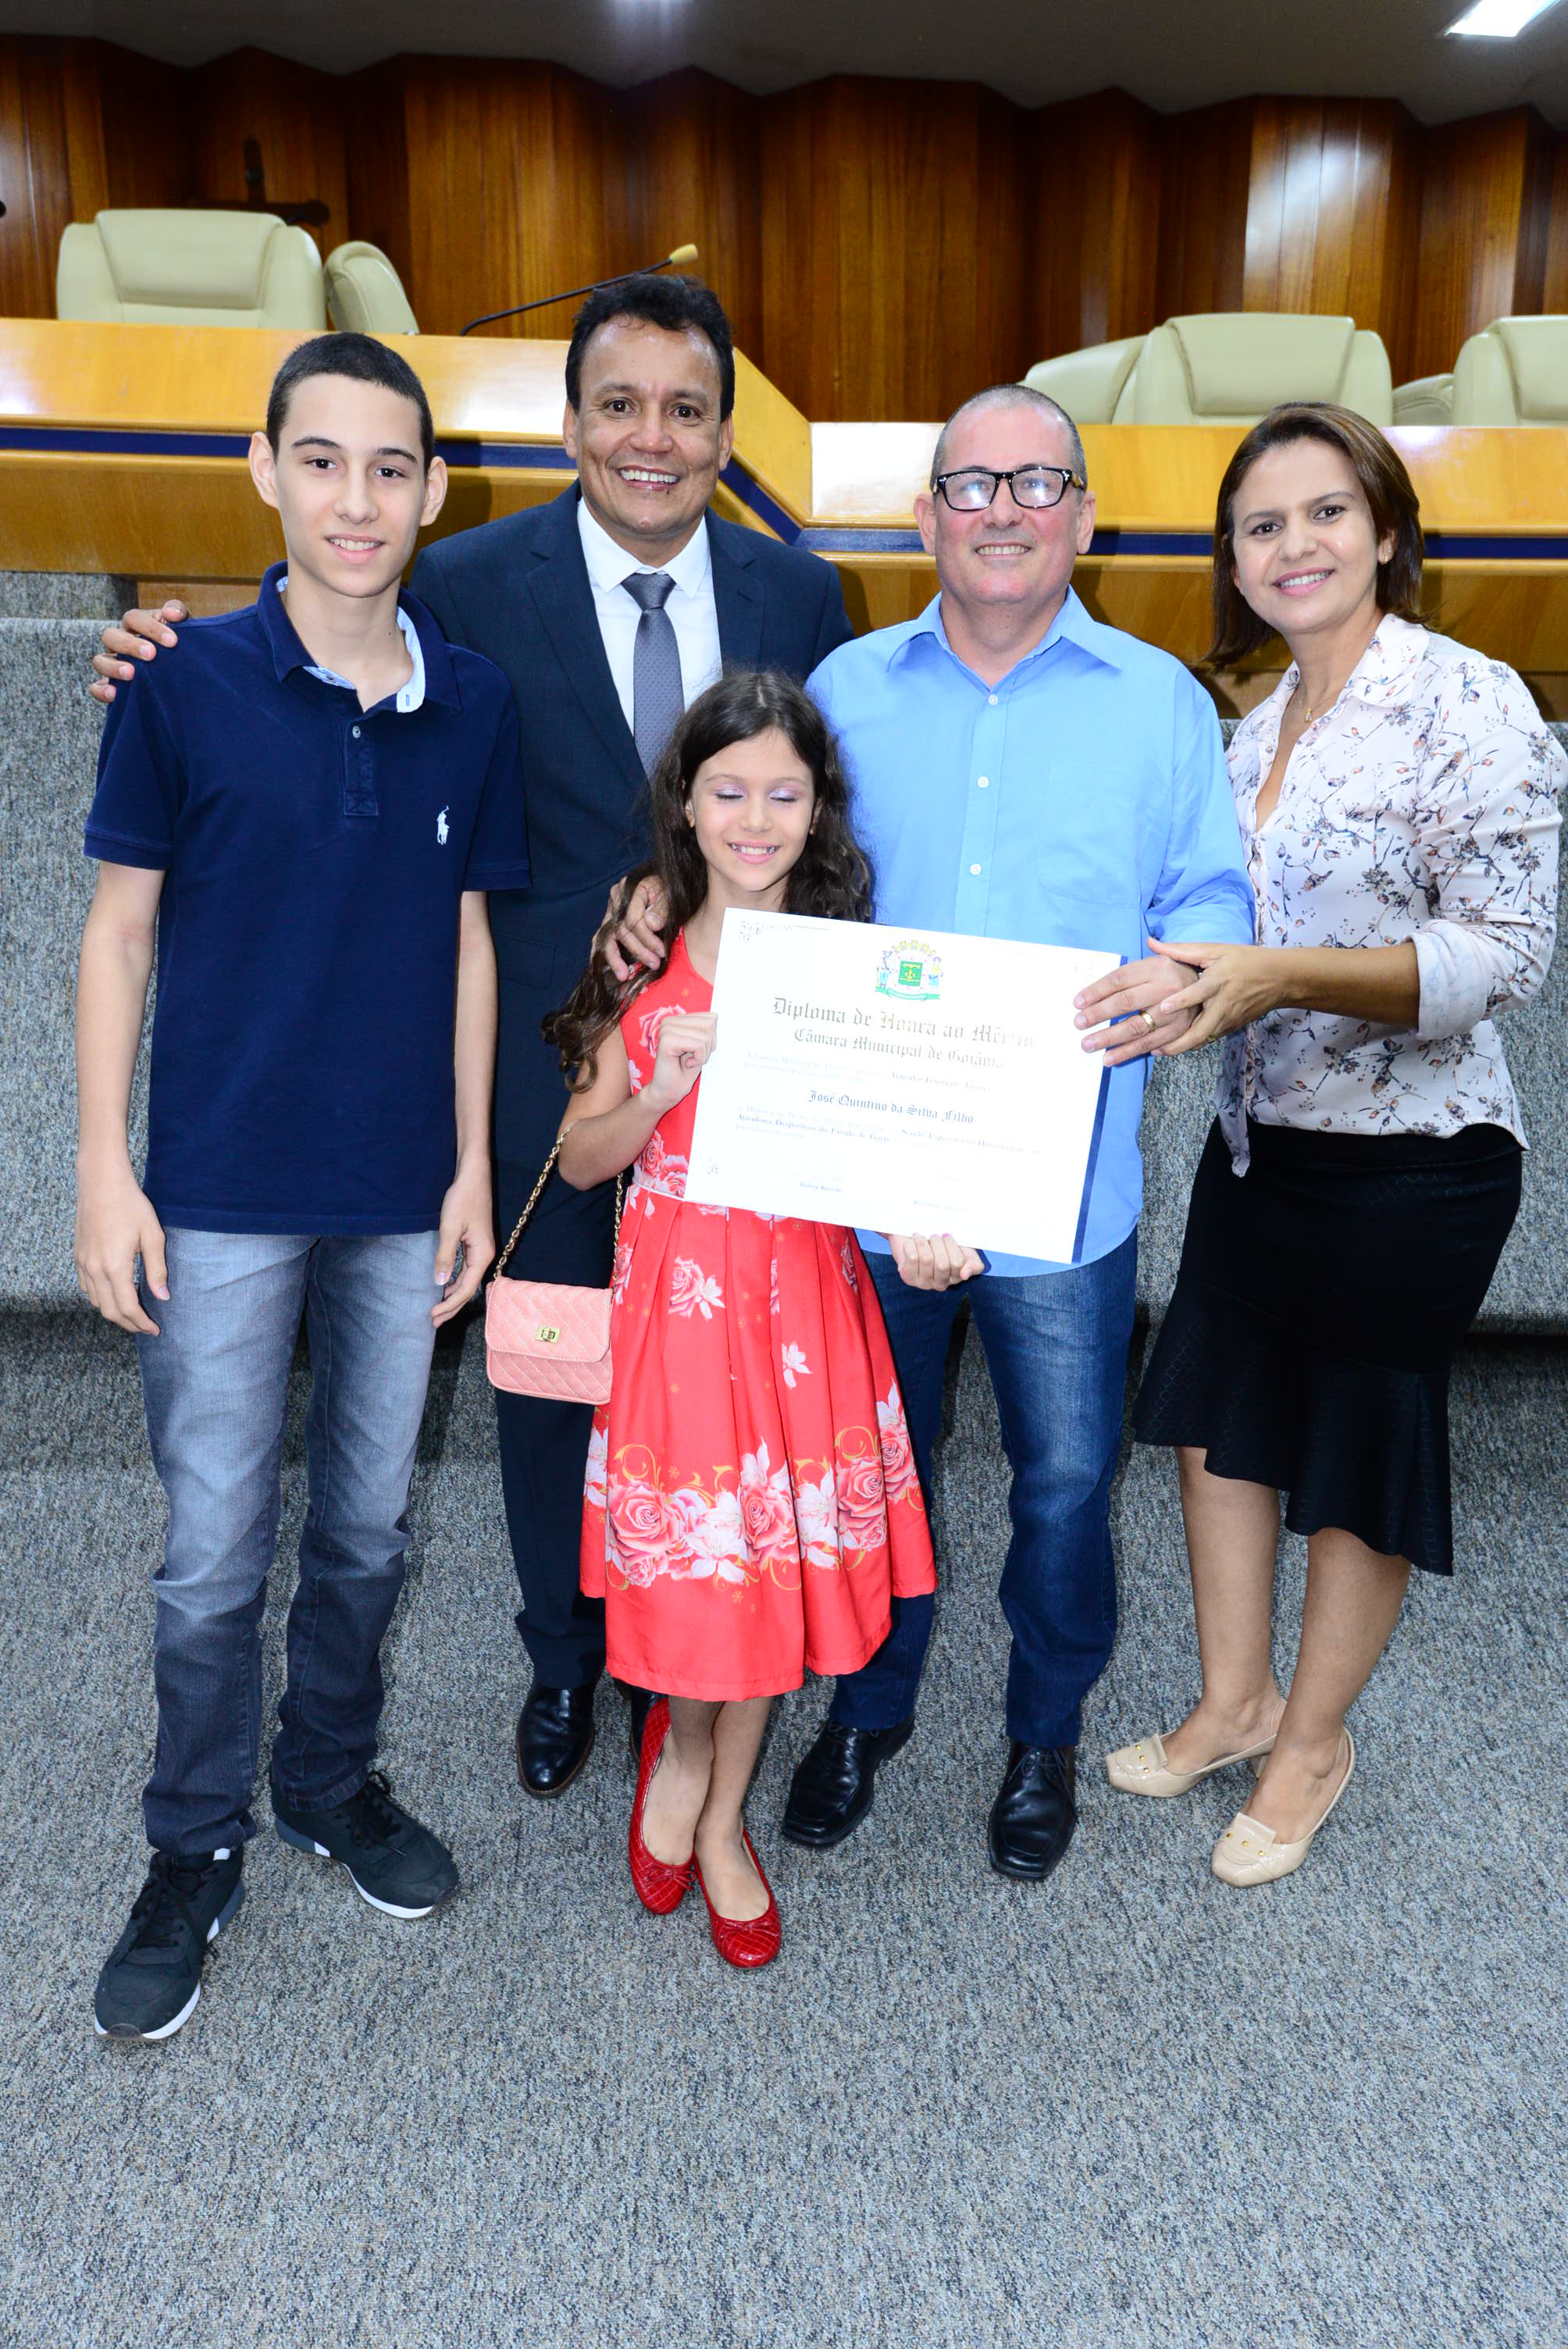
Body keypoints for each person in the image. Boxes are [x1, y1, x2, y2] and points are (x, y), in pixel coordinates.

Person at [92, 273, 853, 1806]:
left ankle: (684, 1657)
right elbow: (337, 643)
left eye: (686, 410)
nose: (651, 437)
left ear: (725, 433)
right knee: (550, 1366)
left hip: (740, 1065)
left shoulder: (801, 595)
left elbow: (816, 807)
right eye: (618, 405)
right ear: (568, 424)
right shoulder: (470, 578)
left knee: (715, 1372)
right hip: (535, 1072)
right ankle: (563, 1653)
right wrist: (156, 645)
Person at [612, 383, 1255, 1881]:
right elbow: (763, 853)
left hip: (1057, 1188)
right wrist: (658, 895)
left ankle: (1043, 1734)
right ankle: (867, 1710)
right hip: (858, 1182)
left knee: (1066, 1483)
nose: (1005, 510)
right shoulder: (846, 684)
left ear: (1085, 518)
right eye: (973, 484)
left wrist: (1188, 971)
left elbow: (1212, 900)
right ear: (926, 517)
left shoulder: (1160, 701)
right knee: (865, 1462)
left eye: (1039, 484)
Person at [77, 334, 530, 2041]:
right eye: (322, 460)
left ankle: (327, 1777)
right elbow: (119, 937)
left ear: (433, 491)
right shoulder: (181, 679)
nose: (358, 499)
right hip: (215, 1186)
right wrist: (101, 1166)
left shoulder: (473, 700)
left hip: (401, 1189)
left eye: (391, 467)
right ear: (264, 470)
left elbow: (471, 942)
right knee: (210, 1551)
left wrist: (472, 1164)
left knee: (366, 1524)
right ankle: (192, 1839)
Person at [1088, 401, 1563, 1884]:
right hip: (1259, 1145)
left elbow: (1510, 952)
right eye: (1261, 525)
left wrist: (1280, 977)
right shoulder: (1244, 730)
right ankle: (1234, 1702)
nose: (1294, 544)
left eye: (1326, 512)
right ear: (1233, 562)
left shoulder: (1469, 699)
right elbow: (1208, 927)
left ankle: (1312, 1743)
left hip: (1415, 1160)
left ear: (1388, 533)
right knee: (1216, 1419)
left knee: (1357, 1452)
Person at [543, 670, 935, 1966]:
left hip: (804, 1304)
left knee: (776, 1569)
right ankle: (685, 1750)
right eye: (728, 792)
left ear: (818, 807)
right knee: (702, 1568)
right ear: (686, 804)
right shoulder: (636, 955)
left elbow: (888, 1147)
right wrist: (658, 1090)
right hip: (680, 1306)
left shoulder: (849, 969)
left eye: (784, 792)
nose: (755, 820)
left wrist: (924, 1220)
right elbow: (582, 1160)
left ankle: (720, 1819)